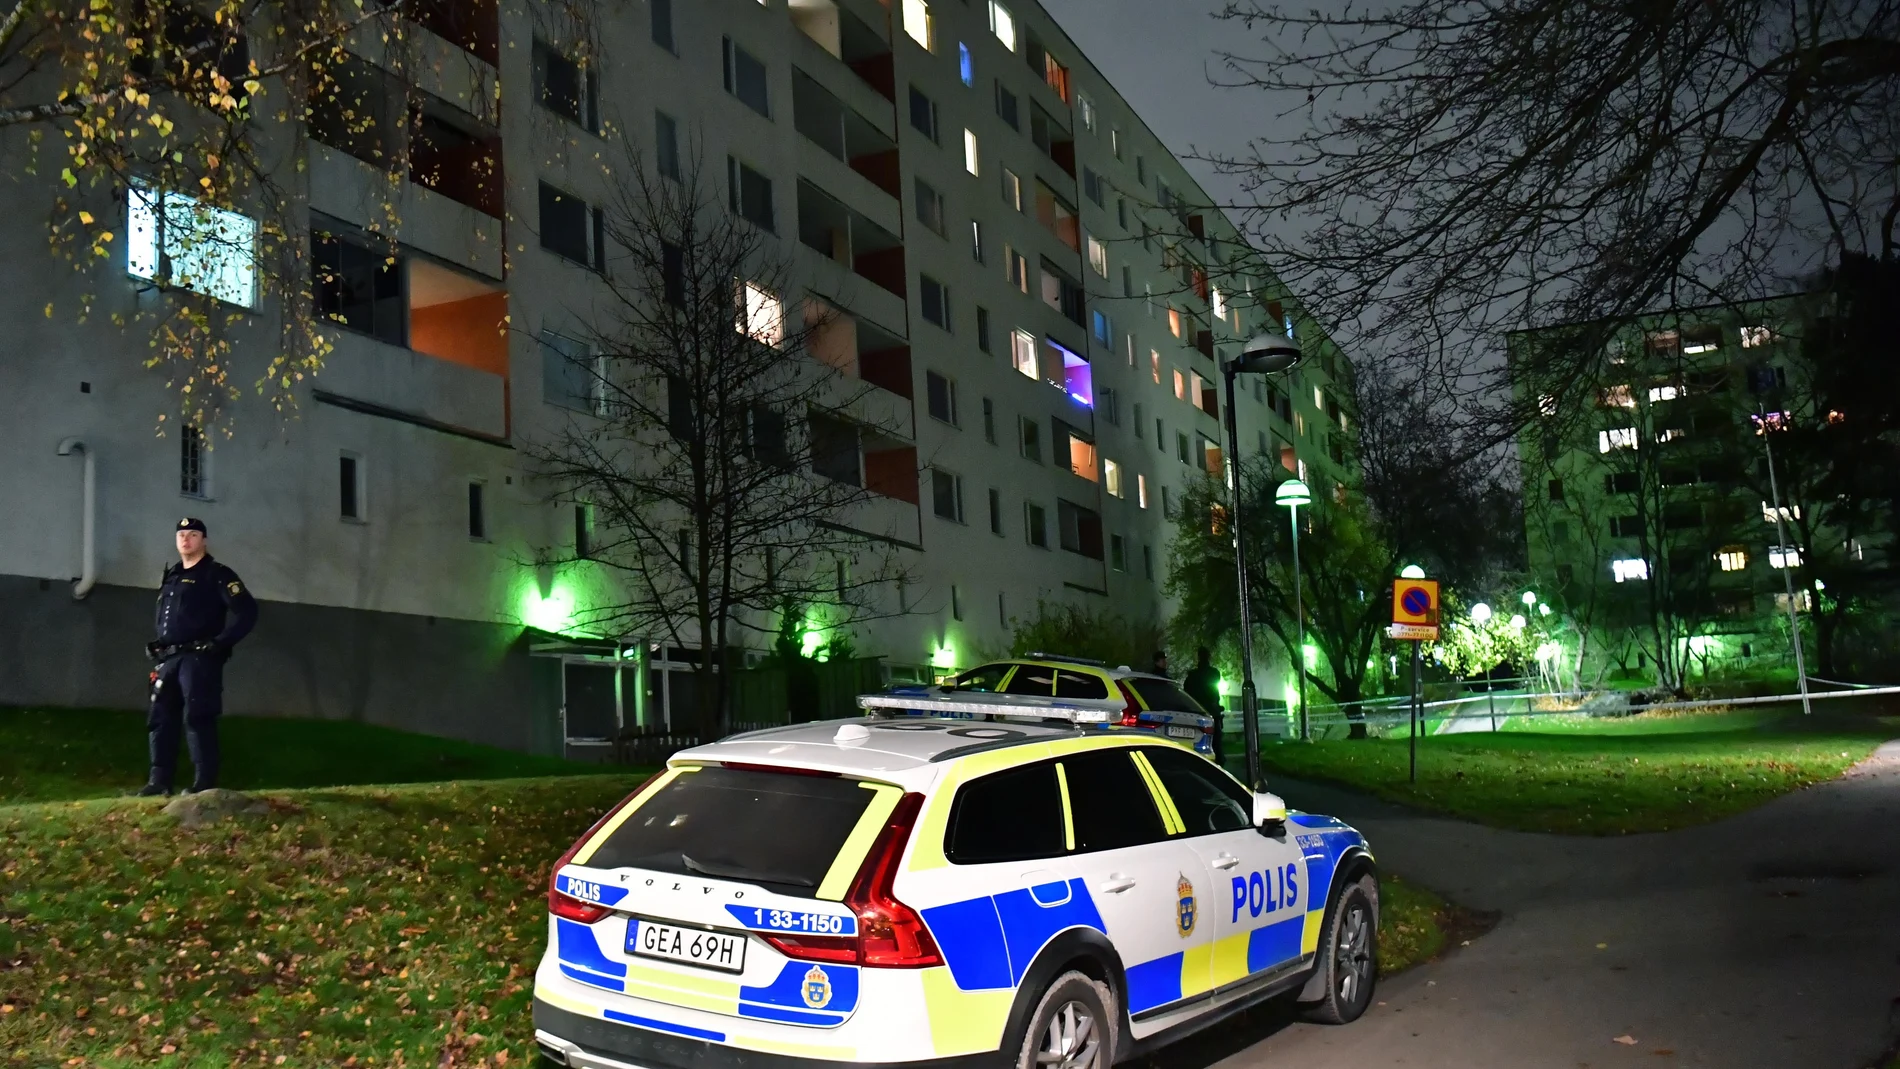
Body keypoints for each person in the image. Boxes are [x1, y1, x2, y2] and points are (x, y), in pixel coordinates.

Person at [137, 517, 258, 797]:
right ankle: (159, 782)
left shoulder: (216, 574)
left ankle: (204, 783)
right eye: (181, 534)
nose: (186, 539)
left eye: (193, 534)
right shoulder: (173, 574)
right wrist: (158, 644)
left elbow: (247, 611)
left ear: (204, 540)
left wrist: (220, 643)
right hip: (168, 659)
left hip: (199, 658)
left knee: (198, 716)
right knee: (160, 718)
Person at [1183, 647, 1225, 763]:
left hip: (1197, 713)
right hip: (1212, 713)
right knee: (1216, 743)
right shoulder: (1213, 674)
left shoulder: (1192, 677)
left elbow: (1187, 694)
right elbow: (1214, 694)